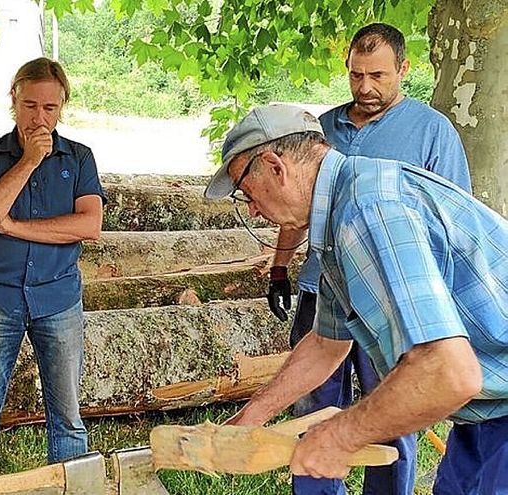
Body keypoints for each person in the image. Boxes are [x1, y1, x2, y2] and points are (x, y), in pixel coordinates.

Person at [205, 103, 507, 495]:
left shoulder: (368, 209)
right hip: (485, 417)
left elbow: (447, 372)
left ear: (275, 166)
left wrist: (339, 436)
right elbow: (327, 343)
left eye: (247, 192)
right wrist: (249, 418)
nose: (253, 209)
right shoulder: (341, 213)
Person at [263, 23, 471, 495]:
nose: (365, 87)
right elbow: (297, 205)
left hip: (395, 302)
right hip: (327, 290)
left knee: (393, 413)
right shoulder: (322, 128)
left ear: (404, 68)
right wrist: (280, 266)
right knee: (314, 411)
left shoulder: (433, 132)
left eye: (377, 75)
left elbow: (448, 225)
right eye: (356, 75)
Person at [0, 57, 105, 479]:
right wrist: (27, 163)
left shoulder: (79, 158)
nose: (39, 118)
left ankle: (72, 488)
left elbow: (89, 225)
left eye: (50, 109)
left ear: (62, 108)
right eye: (30, 106)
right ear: (14, 101)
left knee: (67, 417)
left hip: (58, 299)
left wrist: (14, 226)